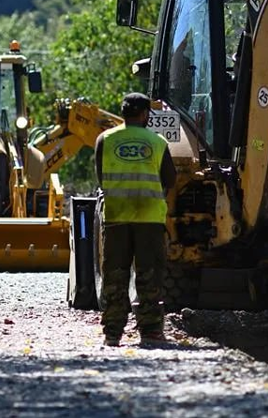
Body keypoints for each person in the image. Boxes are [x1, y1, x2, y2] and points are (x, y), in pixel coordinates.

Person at [95, 92, 176, 348]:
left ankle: (112, 333)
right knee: (149, 275)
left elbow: (101, 178)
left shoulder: (104, 140)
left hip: (116, 217)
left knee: (114, 276)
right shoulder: (158, 142)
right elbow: (170, 179)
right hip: (149, 219)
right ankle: (150, 331)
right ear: (144, 114)